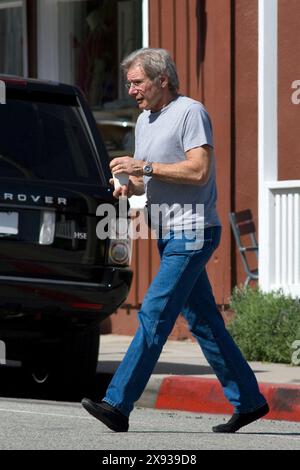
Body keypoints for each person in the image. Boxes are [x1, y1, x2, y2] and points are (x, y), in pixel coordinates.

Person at [81, 48, 269, 433]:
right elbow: (146, 180)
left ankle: (118, 404)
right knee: (204, 323)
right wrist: (127, 185)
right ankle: (249, 401)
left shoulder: (190, 112)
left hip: (194, 231)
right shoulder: (144, 121)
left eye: (137, 82)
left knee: (153, 312)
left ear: (161, 79)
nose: (131, 89)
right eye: (129, 83)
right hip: (166, 232)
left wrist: (144, 166)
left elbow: (199, 170)